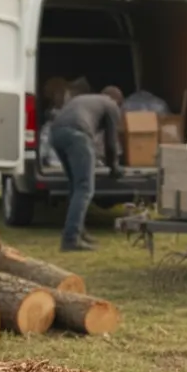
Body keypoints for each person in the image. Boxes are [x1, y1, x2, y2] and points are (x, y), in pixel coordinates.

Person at [48, 85, 125, 252]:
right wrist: (114, 168)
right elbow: (111, 143)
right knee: (85, 188)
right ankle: (71, 239)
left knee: (75, 187)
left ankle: (78, 231)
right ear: (118, 101)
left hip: (55, 134)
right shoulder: (111, 105)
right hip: (77, 135)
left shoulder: (86, 99)